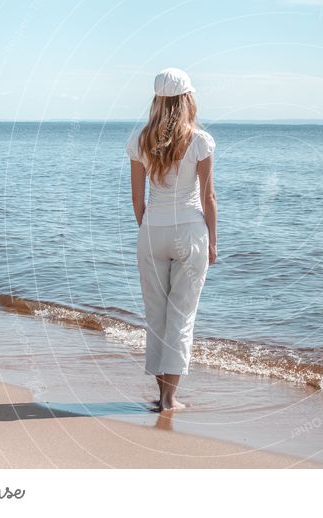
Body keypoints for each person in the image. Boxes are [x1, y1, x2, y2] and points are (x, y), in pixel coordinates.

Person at [126, 67, 217, 412]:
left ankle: (160, 393)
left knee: (157, 316)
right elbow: (209, 198)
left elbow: (137, 201)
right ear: (187, 99)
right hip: (190, 232)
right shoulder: (199, 141)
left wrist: (148, 231)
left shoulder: (139, 141)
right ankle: (169, 399)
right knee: (182, 316)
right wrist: (212, 242)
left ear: (157, 101)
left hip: (152, 232)